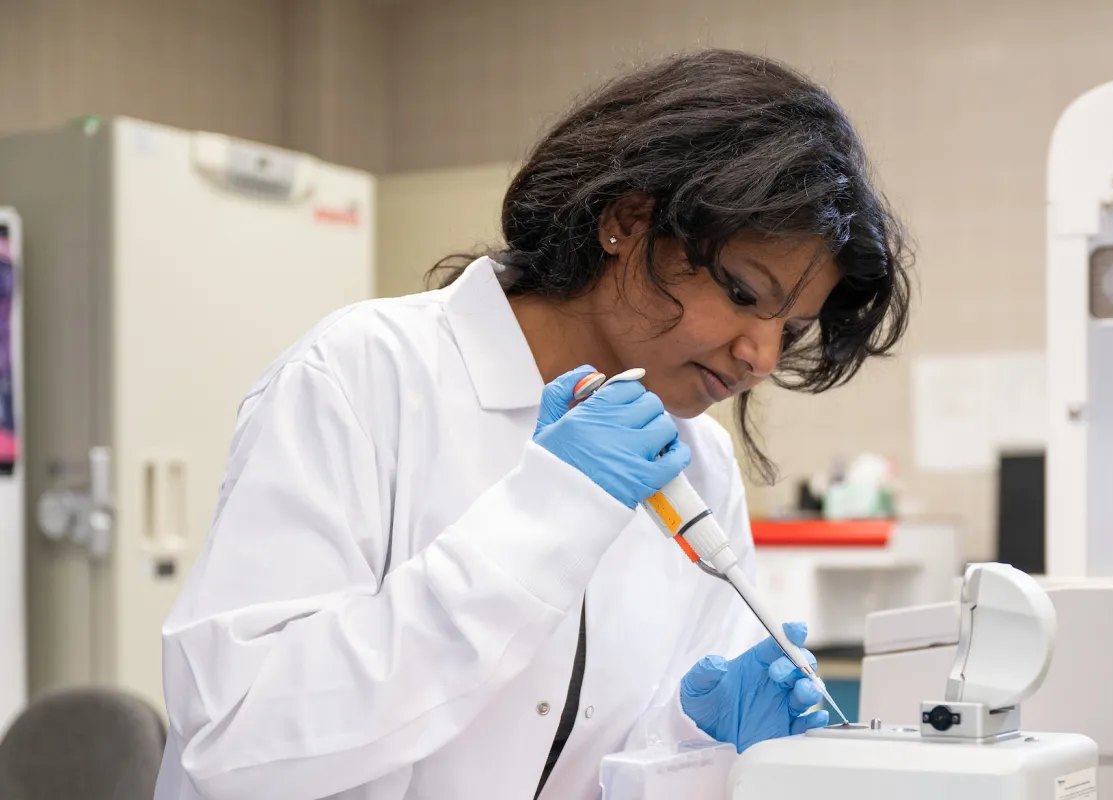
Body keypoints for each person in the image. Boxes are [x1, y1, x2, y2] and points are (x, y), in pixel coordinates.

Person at [153, 49, 910, 800]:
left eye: (793, 328)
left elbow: (583, 757)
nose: (760, 355)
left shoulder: (696, 465)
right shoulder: (363, 375)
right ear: (628, 221)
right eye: (746, 294)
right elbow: (237, 742)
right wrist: (543, 518)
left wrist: (693, 738)